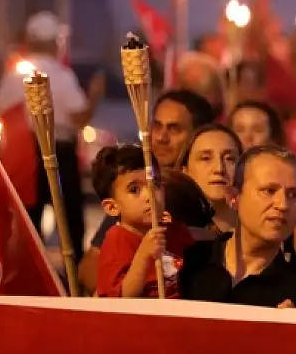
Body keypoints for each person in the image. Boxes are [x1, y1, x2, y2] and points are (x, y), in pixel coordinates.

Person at [0, 11, 105, 261]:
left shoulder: (14, 74)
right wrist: (96, 95)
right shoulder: (60, 75)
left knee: (29, 218)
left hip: (24, 154)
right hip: (58, 152)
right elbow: (80, 117)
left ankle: (29, 272)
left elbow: (1, 111)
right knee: (69, 218)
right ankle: (74, 275)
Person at [178, 145, 296, 309]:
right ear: (233, 196)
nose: (282, 205)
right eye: (269, 190)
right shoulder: (185, 264)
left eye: (293, 195)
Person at [88, 89, 217, 251]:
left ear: (198, 135)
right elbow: (91, 267)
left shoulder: (214, 188)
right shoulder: (135, 200)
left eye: (174, 129)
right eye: (157, 126)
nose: (161, 138)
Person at [229, 101, 296, 276]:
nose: (247, 137)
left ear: (274, 138)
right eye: (239, 129)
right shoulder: (219, 180)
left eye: (257, 130)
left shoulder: (293, 181)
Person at [90, 145, 193, 298]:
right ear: (112, 207)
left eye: (155, 185)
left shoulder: (172, 229)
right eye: (134, 190)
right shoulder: (117, 240)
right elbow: (120, 298)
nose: (149, 196)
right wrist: (143, 256)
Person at [177, 125, 242, 233]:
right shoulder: (172, 235)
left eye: (229, 159)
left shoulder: (260, 232)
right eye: (205, 158)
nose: (219, 169)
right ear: (185, 171)